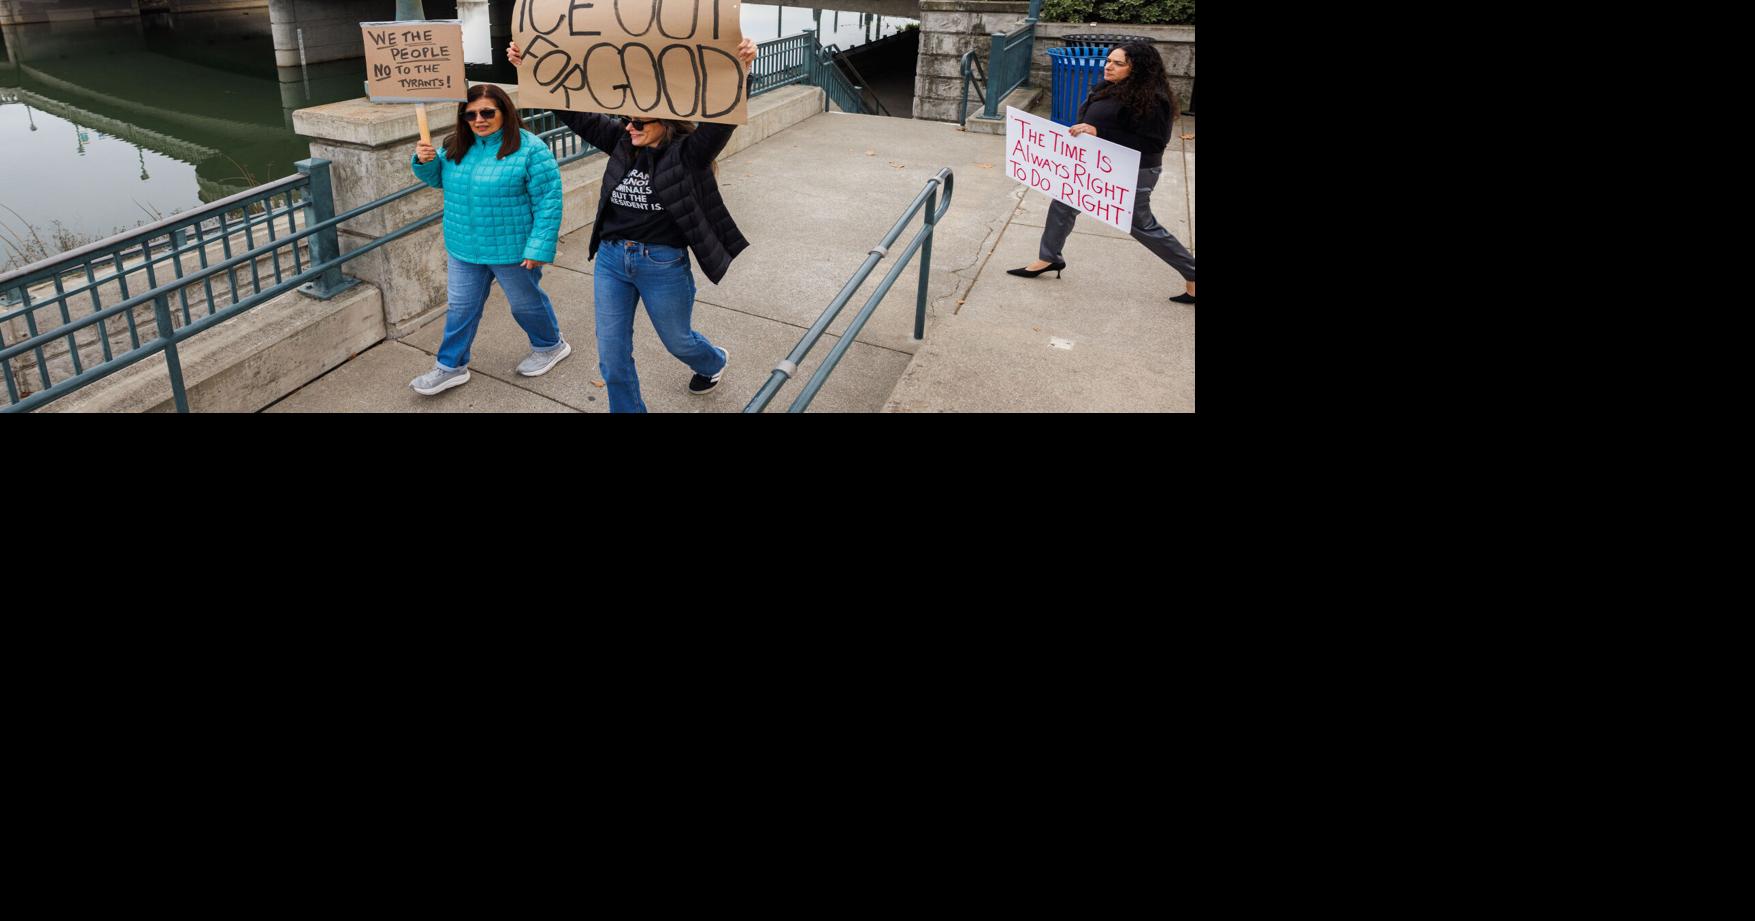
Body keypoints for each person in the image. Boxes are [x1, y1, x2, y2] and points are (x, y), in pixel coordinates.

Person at [506, 36, 758, 413]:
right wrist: (529, 68)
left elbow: (723, 120)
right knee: (611, 359)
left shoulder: (689, 154)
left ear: (665, 122)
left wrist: (742, 69)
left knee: (678, 341)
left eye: (638, 122)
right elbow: (575, 113)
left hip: (662, 265)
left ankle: (712, 361)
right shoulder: (622, 143)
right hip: (611, 261)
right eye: (626, 120)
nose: (628, 127)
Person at [408, 84, 568, 396]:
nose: (479, 120)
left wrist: (539, 247)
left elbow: (549, 202)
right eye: (470, 114)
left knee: (525, 305)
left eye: (487, 112)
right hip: (464, 247)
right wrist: (425, 161)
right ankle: (450, 366)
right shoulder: (456, 145)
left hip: (512, 249)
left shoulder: (531, 149)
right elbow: (437, 179)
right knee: (460, 308)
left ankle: (551, 345)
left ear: (504, 111)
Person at [1008, 42, 1197, 305]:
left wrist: (1100, 133)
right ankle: (1049, 258)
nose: (1109, 66)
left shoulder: (1154, 99)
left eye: (1118, 63)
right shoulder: (1109, 87)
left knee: (1140, 225)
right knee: (1063, 203)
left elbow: (1153, 143)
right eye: (1108, 61)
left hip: (1133, 171)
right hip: (1096, 164)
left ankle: (1193, 273)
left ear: (1138, 69)